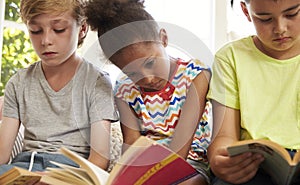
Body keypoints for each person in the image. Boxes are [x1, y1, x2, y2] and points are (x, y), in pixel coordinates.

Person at [85, 0, 212, 184]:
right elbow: (131, 144)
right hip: (146, 168)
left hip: (189, 163)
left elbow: (181, 147)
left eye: (150, 63)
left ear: (163, 39)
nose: (147, 78)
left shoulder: (196, 76)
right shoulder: (124, 89)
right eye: (132, 73)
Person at [0, 0, 118, 175]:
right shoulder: (18, 83)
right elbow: (2, 155)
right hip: (24, 168)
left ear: (83, 29)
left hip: (73, 173)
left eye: (59, 29)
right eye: (36, 31)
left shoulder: (97, 83)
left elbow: (99, 160)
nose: (46, 40)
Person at [207, 0, 300, 184]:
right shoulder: (230, 58)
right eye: (265, 19)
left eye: (292, 14)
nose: (280, 28)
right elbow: (224, 136)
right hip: (254, 164)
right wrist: (218, 159)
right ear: (246, 11)